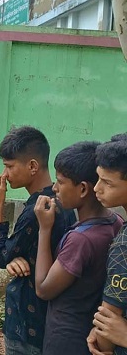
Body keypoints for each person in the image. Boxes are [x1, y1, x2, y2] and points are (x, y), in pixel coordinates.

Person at [0, 126, 76, 355]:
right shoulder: (60, 201)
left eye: (9, 166)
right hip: (48, 321)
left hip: (27, 325)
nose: (4, 174)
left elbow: (1, 257)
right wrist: (13, 257)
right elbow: (11, 256)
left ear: (32, 166)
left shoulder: (37, 209)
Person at [33, 141, 122, 355]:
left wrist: (44, 230)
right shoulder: (116, 222)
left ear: (83, 188)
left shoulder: (81, 240)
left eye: (61, 182)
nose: (54, 188)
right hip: (91, 333)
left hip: (67, 338)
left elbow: (43, 289)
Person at [87, 136, 127, 355]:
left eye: (108, 182)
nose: (96, 188)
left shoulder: (124, 247)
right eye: (98, 178)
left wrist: (105, 340)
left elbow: (109, 319)